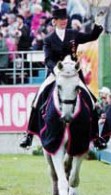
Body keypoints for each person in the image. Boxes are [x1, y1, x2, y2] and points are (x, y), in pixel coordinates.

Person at [19, 7, 104, 148]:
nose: (63, 21)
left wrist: (98, 23)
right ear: (54, 22)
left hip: (73, 74)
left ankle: (96, 137)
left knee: (91, 101)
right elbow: (47, 59)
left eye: (65, 19)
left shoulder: (73, 34)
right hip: (56, 74)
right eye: (60, 20)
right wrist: (56, 70)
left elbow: (92, 37)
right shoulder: (49, 39)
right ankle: (28, 135)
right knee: (37, 98)